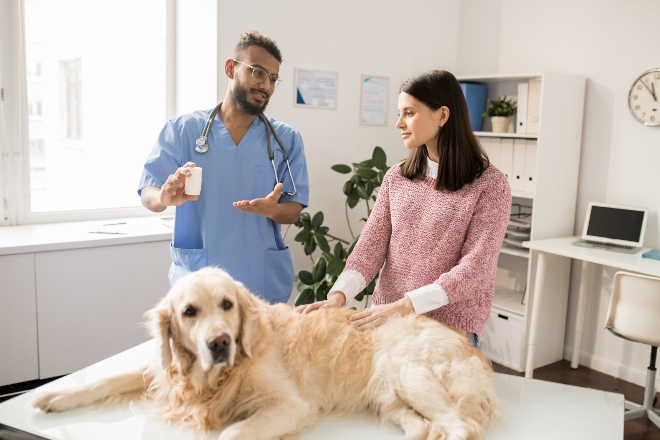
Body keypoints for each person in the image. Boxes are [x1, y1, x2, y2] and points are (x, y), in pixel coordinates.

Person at [298, 70, 510, 346]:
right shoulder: (396, 177)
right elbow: (369, 248)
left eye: (409, 113)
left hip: (446, 331)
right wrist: (337, 297)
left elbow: (474, 270)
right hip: (388, 322)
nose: (399, 123)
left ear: (442, 116)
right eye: (400, 113)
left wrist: (406, 305)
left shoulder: (490, 185)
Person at [139, 31, 309, 304]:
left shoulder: (286, 139)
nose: (266, 85)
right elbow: (149, 191)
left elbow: (293, 210)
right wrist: (162, 197)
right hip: (199, 281)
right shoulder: (183, 130)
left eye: (273, 78)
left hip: (260, 283)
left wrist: (274, 210)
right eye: (258, 72)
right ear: (230, 68)